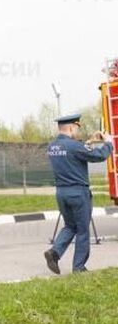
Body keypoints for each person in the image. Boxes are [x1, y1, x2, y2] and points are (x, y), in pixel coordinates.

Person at [43, 114, 112, 274]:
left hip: (61, 193)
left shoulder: (52, 147)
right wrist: (108, 143)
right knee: (82, 230)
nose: (78, 132)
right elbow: (98, 156)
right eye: (77, 129)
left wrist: (88, 142)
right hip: (78, 193)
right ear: (71, 127)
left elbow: (75, 153)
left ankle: (54, 253)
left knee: (70, 226)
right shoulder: (74, 146)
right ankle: (79, 268)